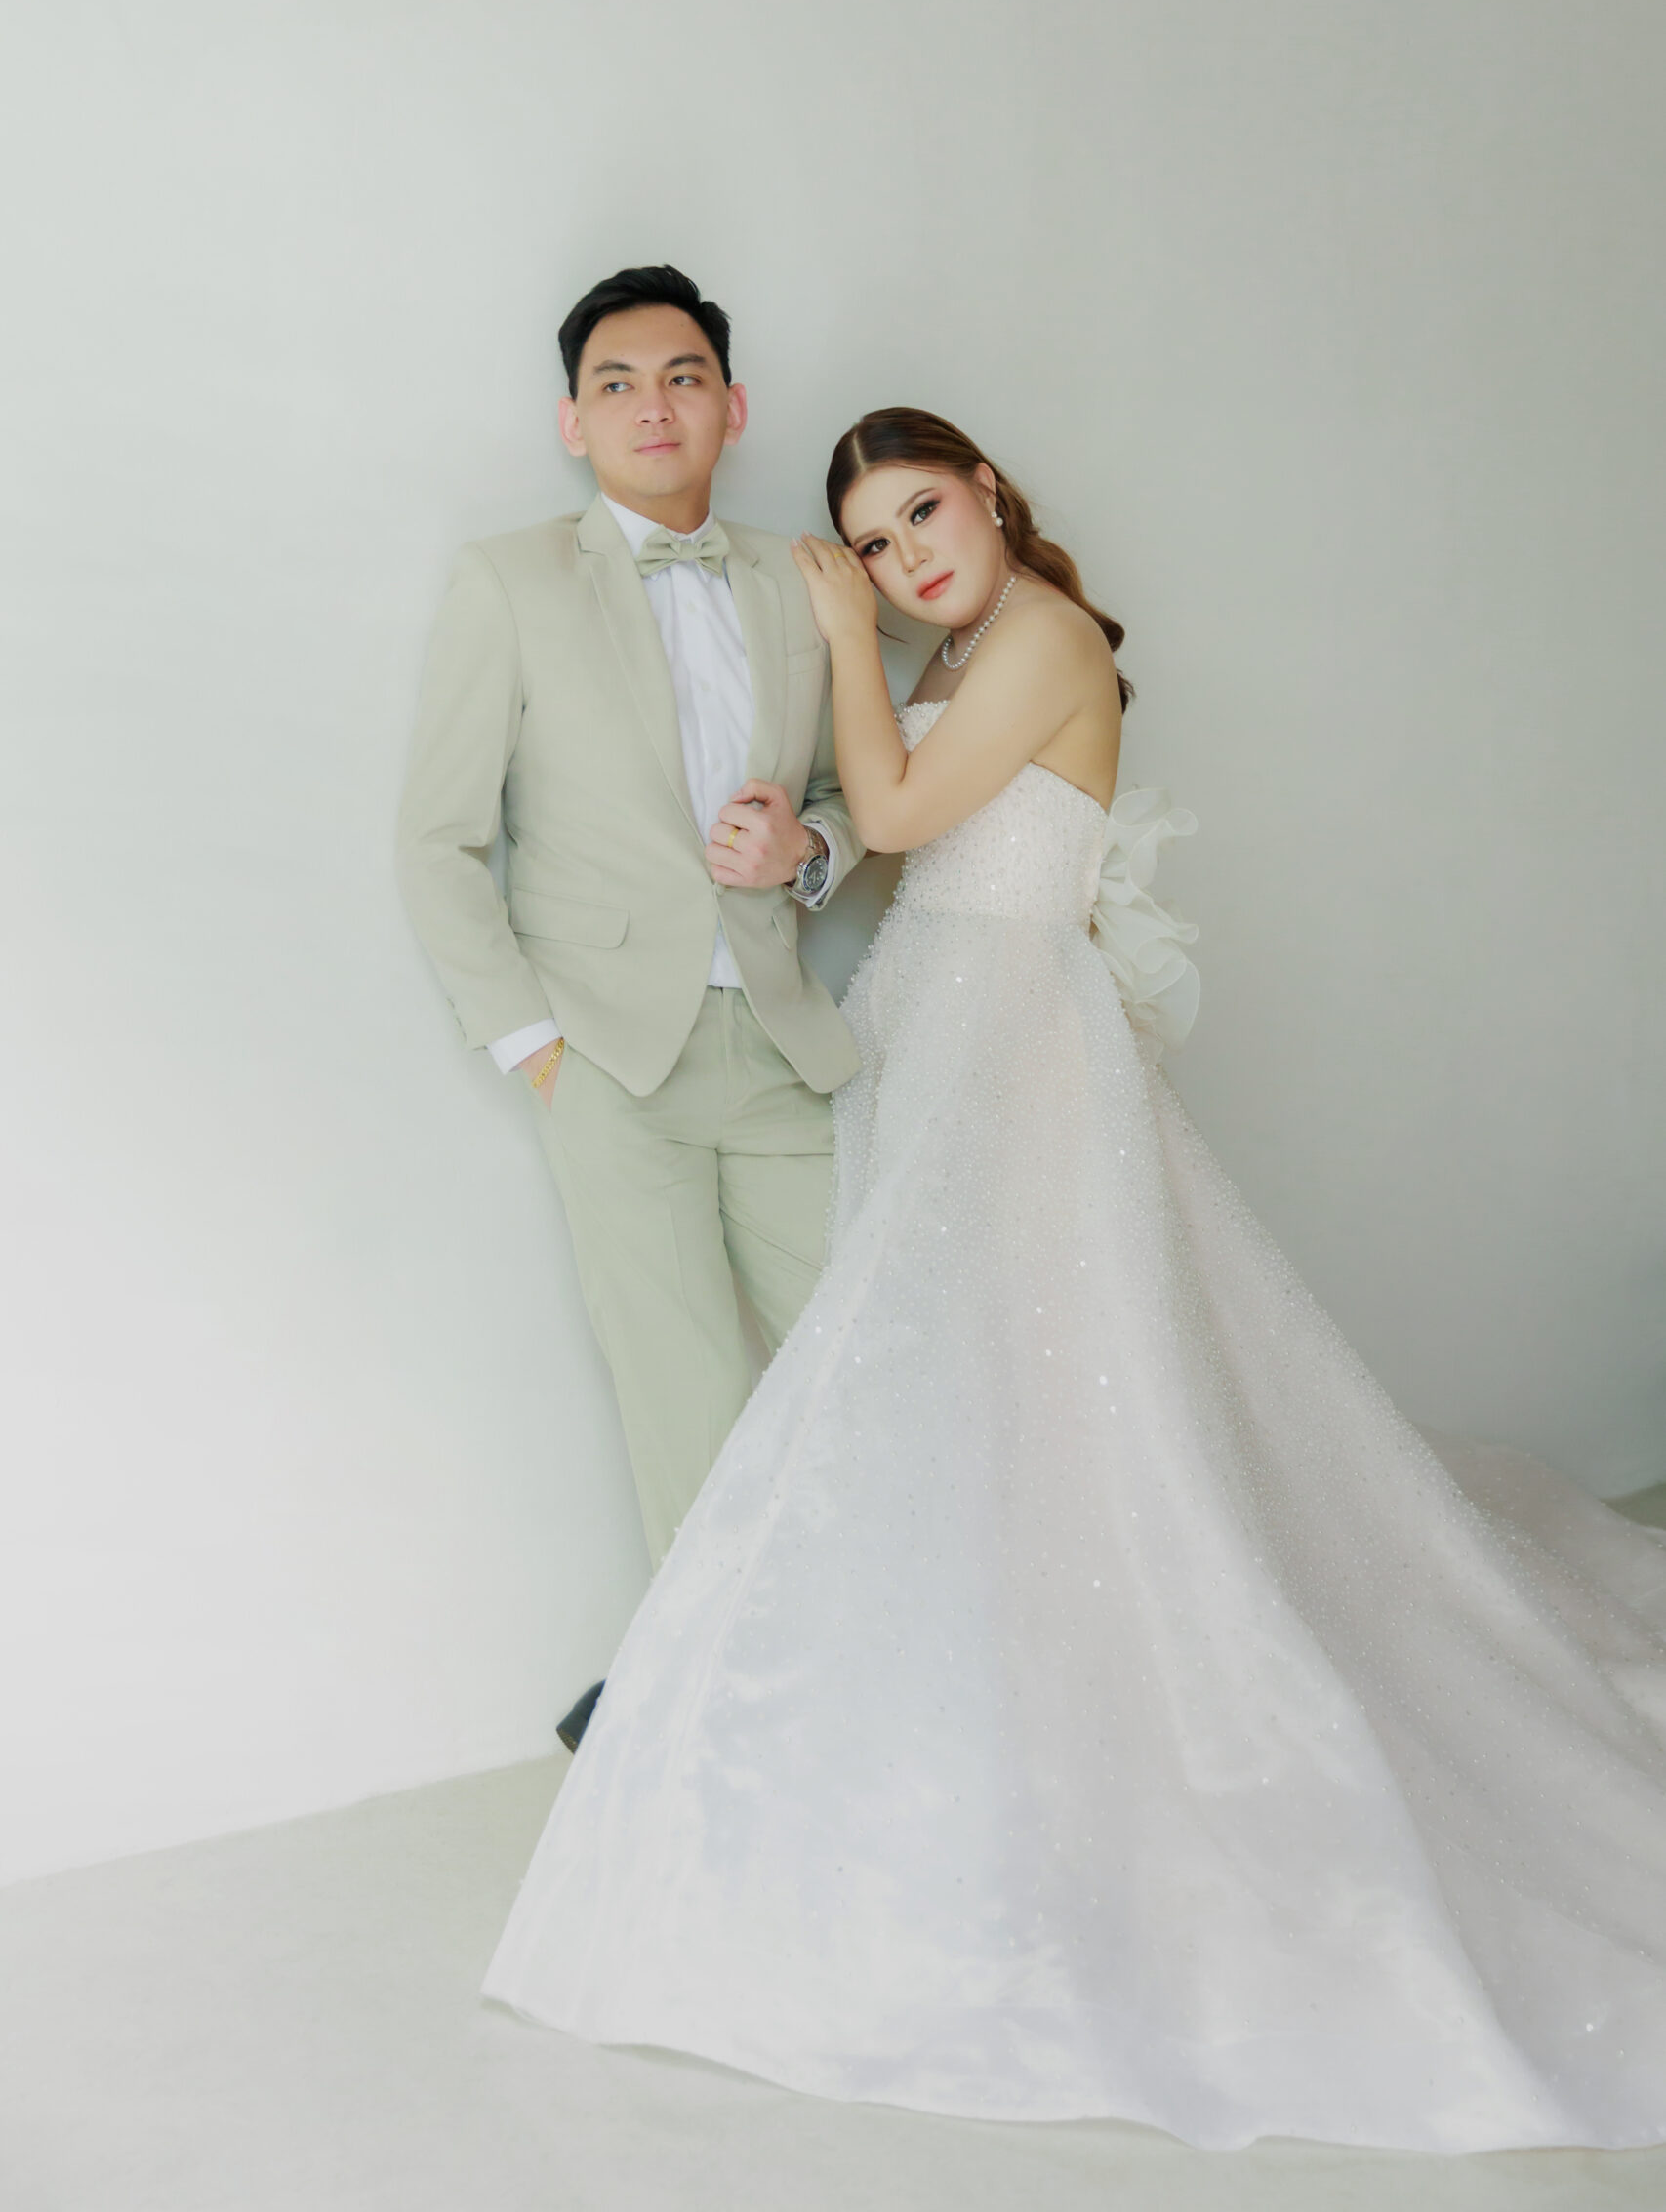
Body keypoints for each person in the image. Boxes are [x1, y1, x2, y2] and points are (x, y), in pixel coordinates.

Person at [480, 408, 1666, 2152]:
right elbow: (892, 837)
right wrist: (801, 840)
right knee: (979, 1388)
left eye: (920, 515)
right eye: (871, 545)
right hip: (938, 1019)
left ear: (988, 491)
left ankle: (1104, 1714)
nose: (901, 562)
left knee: (1048, 1382)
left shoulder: (1037, 634)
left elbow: (898, 802)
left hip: (1015, 1037)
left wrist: (839, 643)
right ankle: (975, 1702)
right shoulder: (970, 651)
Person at [396, 266, 883, 1750]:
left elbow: (855, 792)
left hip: (785, 1043)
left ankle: (878, 1676)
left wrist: (808, 851)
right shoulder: (508, 581)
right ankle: (719, 1732)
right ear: (574, 422)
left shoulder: (806, 582)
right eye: (617, 383)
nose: (652, 406)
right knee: (686, 1408)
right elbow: (438, 841)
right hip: (610, 1058)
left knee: (872, 1362)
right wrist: (538, 1050)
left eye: (682, 378)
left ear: (733, 407)